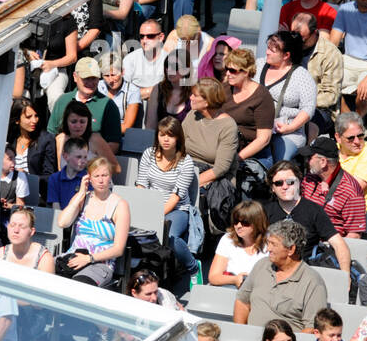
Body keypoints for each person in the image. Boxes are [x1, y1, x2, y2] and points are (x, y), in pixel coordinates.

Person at [233, 219, 329, 331]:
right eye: (268, 243)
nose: (268, 249)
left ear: (291, 249)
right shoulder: (262, 265)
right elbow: (242, 302)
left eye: (273, 244)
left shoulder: (312, 282)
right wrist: (241, 333)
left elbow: (311, 328)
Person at [134, 117, 201, 278]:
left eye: (170, 135)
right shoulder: (148, 154)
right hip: (149, 204)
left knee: (170, 237)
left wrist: (156, 216)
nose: (165, 139)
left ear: (178, 138)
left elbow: (176, 197)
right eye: (162, 135)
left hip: (177, 209)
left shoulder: (186, 163)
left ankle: (193, 267)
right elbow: (141, 185)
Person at [263, 160, 351, 274]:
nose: (285, 187)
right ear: (272, 188)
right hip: (271, 270)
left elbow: (339, 244)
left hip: (306, 272)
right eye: (279, 183)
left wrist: (345, 277)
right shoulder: (265, 212)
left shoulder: (314, 210)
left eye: (290, 182)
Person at [56, 156, 131, 289]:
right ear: (89, 178)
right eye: (96, 176)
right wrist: (80, 194)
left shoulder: (120, 205)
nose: (101, 180)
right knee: (44, 273)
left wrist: (89, 258)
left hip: (100, 263)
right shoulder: (83, 198)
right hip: (73, 256)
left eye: (104, 175)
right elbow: (62, 223)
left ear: (110, 176)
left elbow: (118, 249)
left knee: (78, 287)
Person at [258, 30, 317, 161]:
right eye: (268, 48)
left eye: (272, 51)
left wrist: (289, 128)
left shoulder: (301, 76)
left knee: (280, 161)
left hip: (285, 132)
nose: (267, 52)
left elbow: (308, 108)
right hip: (254, 126)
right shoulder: (259, 64)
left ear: (286, 55)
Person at [46, 58, 124, 156]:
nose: (90, 82)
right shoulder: (63, 101)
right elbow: (51, 135)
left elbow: (114, 144)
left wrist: (90, 162)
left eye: (94, 78)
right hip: (62, 160)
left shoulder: (108, 105)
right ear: (75, 77)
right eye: (86, 78)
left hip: (93, 163)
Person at [300, 136, 366, 238]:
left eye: (309, 158)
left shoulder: (351, 191)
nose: (306, 162)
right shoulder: (309, 178)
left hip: (328, 247)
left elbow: (354, 234)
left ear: (323, 162)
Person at [183, 78, 239, 190]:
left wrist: (188, 183)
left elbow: (221, 168)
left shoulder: (228, 126)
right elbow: (178, 146)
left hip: (213, 178)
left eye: (195, 95)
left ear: (207, 101)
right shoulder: (192, 115)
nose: (190, 98)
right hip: (188, 170)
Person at [221, 47, 275, 162]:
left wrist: (236, 158)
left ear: (246, 72)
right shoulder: (224, 89)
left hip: (250, 153)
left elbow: (263, 139)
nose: (227, 73)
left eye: (232, 70)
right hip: (223, 145)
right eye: (226, 69)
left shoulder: (262, 97)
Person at [209, 200, 269, 289]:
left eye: (245, 222)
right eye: (236, 221)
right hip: (232, 288)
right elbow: (213, 277)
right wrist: (235, 279)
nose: (238, 226)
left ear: (257, 223)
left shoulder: (271, 240)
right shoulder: (228, 239)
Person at [335, 111, 367, 215]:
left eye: (360, 136)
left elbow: (352, 190)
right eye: (350, 138)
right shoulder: (331, 150)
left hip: (363, 216)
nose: (357, 142)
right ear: (338, 137)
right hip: (334, 212)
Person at [9, 98, 58, 198]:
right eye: (28, 117)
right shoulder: (10, 139)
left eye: (36, 116)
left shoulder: (46, 139)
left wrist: (27, 177)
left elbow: (49, 176)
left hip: (36, 195)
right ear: (17, 120)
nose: (34, 120)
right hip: (10, 194)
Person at [0, 206, 55, 275]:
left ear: (32, 231)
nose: (16, 230)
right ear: (8, 227)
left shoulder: (44, 259)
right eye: (12, 225)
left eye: (22, 227)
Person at [46, 136, 90, 209]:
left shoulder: (88, 178)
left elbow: (88, 207)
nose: (83, 161)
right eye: (79, 157)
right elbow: (55, 206)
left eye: (85, 157)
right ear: (66, 156)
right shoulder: (54, 178)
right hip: (61, 217)